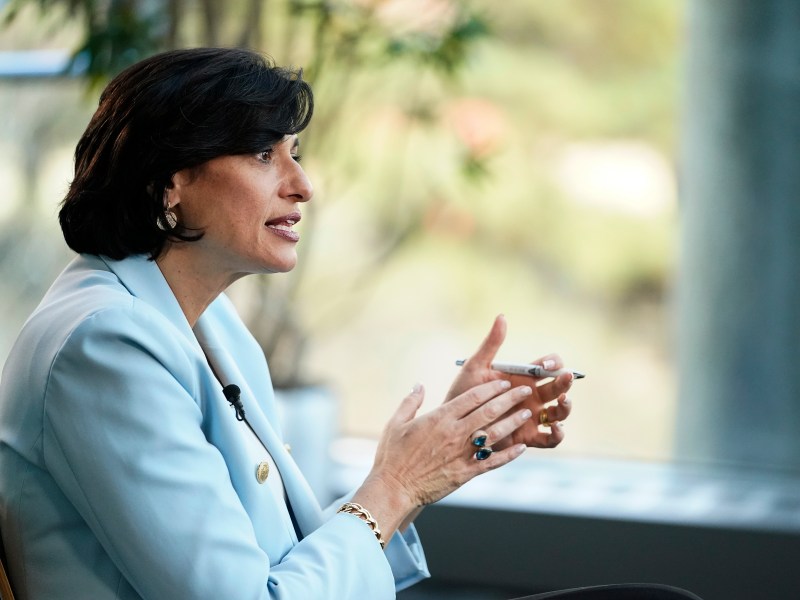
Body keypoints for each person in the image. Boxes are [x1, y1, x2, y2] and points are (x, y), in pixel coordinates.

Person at [0, 47, 576, 599]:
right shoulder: (105, 346)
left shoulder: (206, 320)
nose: (301, 185)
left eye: (293, 152)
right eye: (262, 155)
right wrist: (398, 483)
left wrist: (454, 440)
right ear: (170, 180)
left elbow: (283, 560)